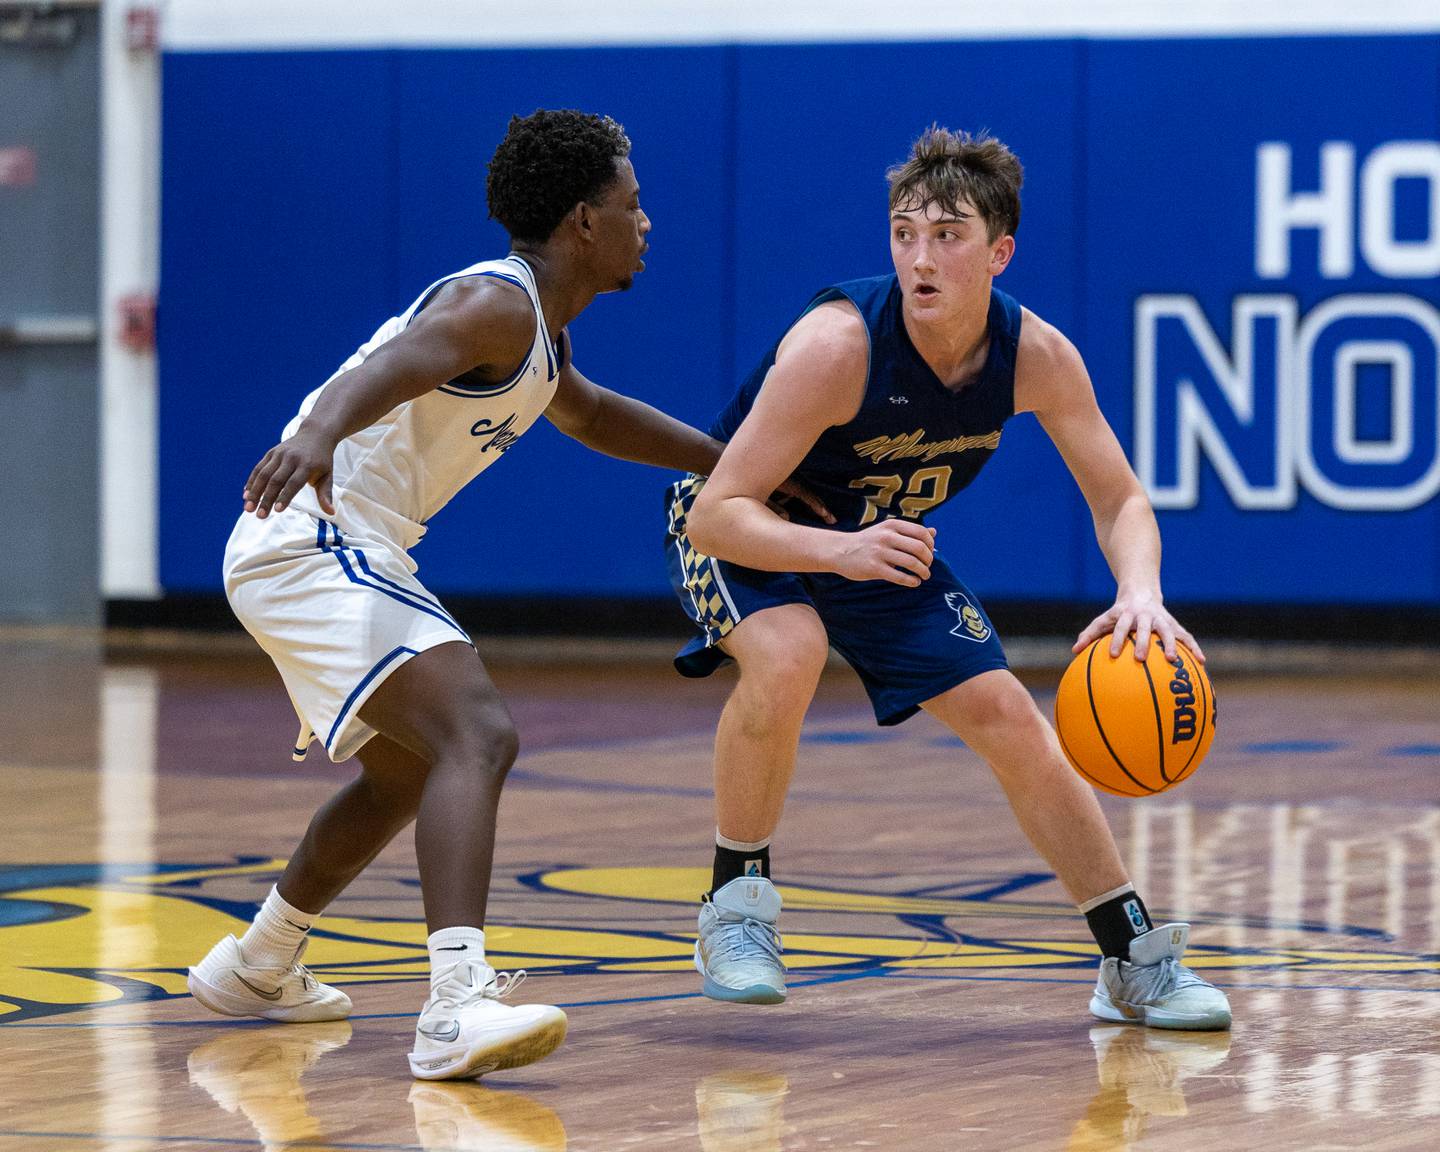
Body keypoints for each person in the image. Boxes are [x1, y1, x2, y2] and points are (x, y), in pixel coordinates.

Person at [187, 109, 826, 1081]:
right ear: (583, 221)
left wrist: (732, 465)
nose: (645, 222)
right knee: (478, 733)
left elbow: (596, 416)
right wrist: (316, 433)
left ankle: (258, 964)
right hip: (312, 536)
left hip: (345, 547)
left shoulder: (541, 335)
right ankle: (452, 1008)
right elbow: (390, 364)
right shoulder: (496, 304)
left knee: (409, 771)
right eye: (632, 203)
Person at [664, 126, 1231, 1030]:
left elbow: (1120, 497)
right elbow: (717, 510)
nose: (919, 257)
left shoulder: (1036, 355)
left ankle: (1130, 957)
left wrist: (1140, 594)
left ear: (1000, 251)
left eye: (948, 235)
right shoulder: (837, 345)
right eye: (903, 233)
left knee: (1009, 712)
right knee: (790, 648)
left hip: (874, 541)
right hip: (753, 527)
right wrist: (837, 552)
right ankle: (735, 908)